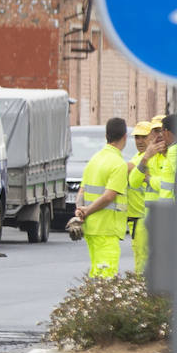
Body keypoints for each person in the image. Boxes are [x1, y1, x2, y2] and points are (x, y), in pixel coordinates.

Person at [75, 117, 130, 277]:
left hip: (92, 228)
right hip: (107, 227)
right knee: (107, 275)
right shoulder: (118, 164)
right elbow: (109, 196)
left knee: (96, 271)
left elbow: (82, 192)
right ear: (125, 137)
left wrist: (79, 210)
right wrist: (87, 211)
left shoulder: (94, 160)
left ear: (106, 135)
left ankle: (92, 301)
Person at [125, 121, 155, 275]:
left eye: (144, 137)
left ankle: (141, 288)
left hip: (143, 217)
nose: (140, 141)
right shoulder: (136, 156)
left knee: (142, 257)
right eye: (137, 137)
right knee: (140, 255)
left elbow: (128, 168)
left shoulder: (145, 158)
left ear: (152, 137)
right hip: (136, 217)